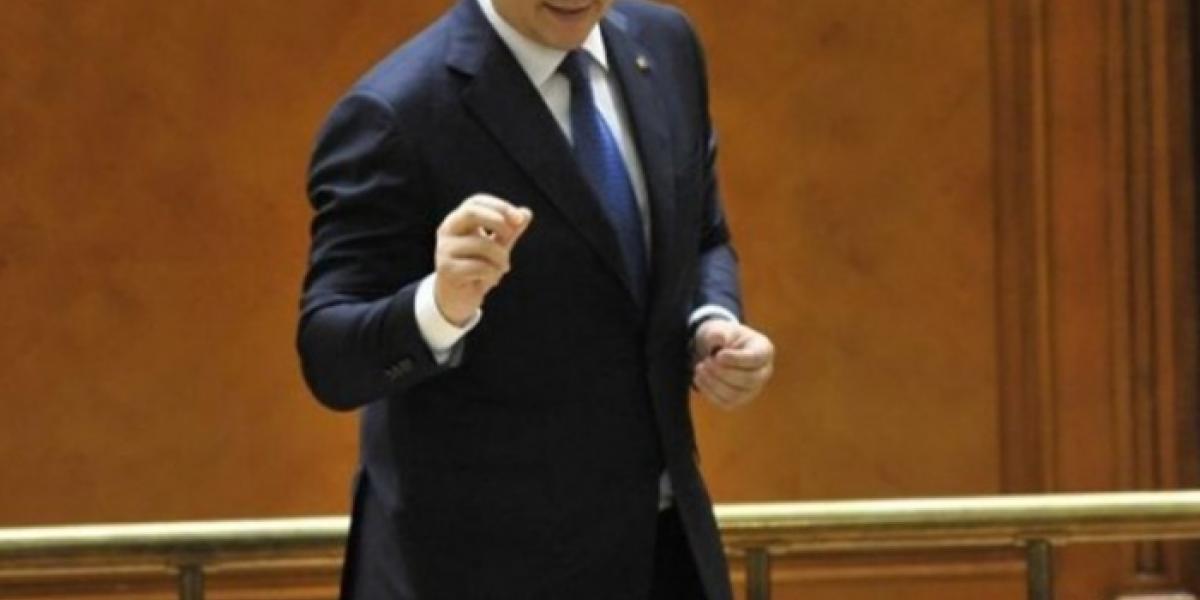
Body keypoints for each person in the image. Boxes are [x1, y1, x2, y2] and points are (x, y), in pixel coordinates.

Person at [298, 0, 775, 597]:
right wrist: (440, 307)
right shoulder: (396, 113)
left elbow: (703, 235)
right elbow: (329, 355)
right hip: (484, 570)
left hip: (663, 552)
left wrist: (710, 321)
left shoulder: (666, 44)